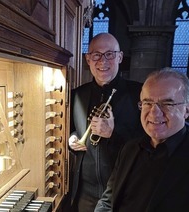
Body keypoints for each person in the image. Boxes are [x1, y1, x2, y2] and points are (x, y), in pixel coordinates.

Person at [94, 68, 189, 212]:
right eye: (147, 103)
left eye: (167, 104)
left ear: (187, 110)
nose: (154, 113)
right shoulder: (129, 149)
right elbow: (107, 203)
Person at [68, 33, 144, 212]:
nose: (103, 61)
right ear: (88, 59)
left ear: (120, 57)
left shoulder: (139, 93)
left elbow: (149, 143)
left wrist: (113, 134)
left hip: (125, 191)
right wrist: (71, 140)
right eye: (96, 55)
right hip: (85, 193)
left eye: (109, 54)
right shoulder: (77, 94)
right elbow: (71, 130)